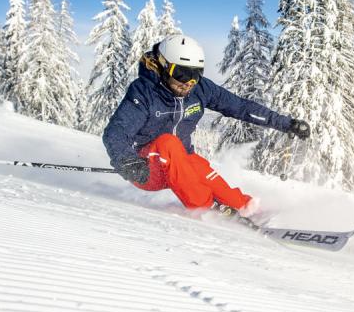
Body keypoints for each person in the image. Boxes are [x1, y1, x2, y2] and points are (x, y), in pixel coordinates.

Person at [102, 34, 310, 214]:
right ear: (164, 66)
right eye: (182, 73)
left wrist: (285, 124)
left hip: (181, 166)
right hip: (148, 169)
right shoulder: (144, 92)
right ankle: (207, 208)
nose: (189, 82)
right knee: (168, 143)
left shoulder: (200, 89)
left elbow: (241, 107)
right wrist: (128, 162)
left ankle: (245, 207)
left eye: (195, 74)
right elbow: (116, 132)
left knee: (198, 164)